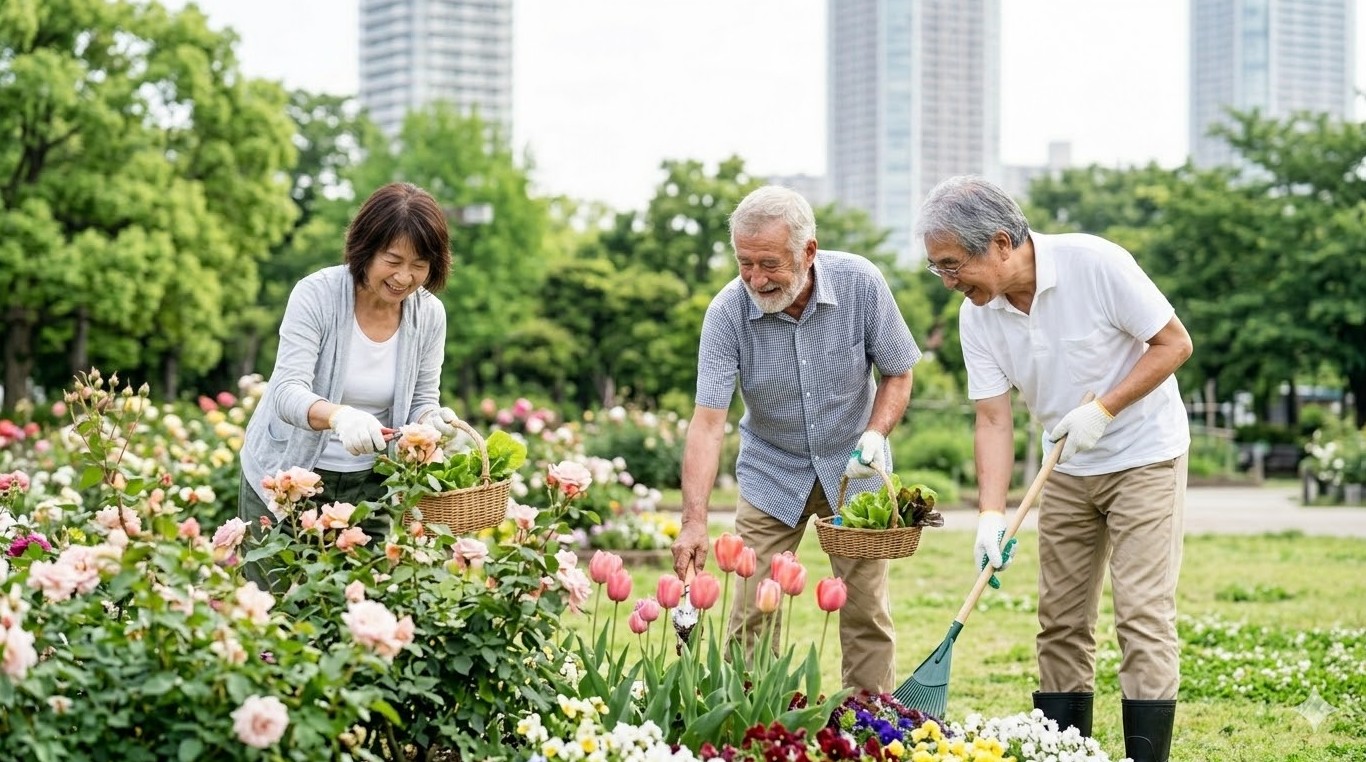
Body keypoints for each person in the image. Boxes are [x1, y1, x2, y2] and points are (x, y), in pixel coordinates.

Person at [918, 176, 1192, 762]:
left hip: (1144, 454)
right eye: (937, 268)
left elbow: (1173, 344)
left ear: (998, 243)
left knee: (1142, 616)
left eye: (951, 265)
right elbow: (994, 419)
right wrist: (990, 516)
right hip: (1065, 464)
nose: (947, 282)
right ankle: (1067, 754)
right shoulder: (979, 316)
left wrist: (1103, 408)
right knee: (1060, 622)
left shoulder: (1096, 264)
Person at [670, 185, 921, 694]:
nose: (756, 278)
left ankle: (868, 723)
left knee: (865, 609)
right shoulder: (726, 313)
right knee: (750, 614)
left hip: (856, 470)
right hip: (770, 471)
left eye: (770, 263)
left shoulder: (861, 283)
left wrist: (874, 436)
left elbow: (898, 371)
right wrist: (694, 521)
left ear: (808, 251)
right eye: (745, 263)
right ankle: (755, 723)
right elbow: (708, 421)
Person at [238, 181, 461, 588]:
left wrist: (434, 422)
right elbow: (286, 392)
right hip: (288, 477)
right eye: (392, 260)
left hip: (369, 484)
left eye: (420, 265)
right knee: (274, 617)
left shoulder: (429, 314)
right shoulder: (316, 295)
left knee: (356, 618)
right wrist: (339, 417)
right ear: (365, 248)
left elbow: (423, 399)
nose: (404, 277)